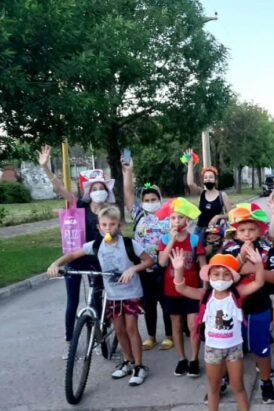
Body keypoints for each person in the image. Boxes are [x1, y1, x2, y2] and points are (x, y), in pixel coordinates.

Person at [47, 206, 154, 385]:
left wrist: (133, 269)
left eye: (112, 224)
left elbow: (148, 260)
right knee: (119, 330)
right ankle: (127, 361)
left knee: (131, 328)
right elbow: (73, 254)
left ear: (119, 225)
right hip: (112, 295)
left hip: (131, 293)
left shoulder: (128, 244)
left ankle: (139, 366)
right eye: (104, 225)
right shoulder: (96, 245)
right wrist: (56, 263)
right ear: (99, 227)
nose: (108, 228)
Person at [170, 249, 265, 411]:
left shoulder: (237, 293)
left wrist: (258, 265)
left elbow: (258, 283)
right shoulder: (205, 295)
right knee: (213, 387)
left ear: (233, 277)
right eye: (216, 274)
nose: (220, 278)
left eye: (226, 274)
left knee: (238, 386)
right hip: (213, 349)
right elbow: (181, 288)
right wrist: (178, 270)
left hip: (234, 348)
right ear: (209, 275)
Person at [37, 145, 117, 359]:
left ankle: (99, 336)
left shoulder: (110, 212)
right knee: (72, 301)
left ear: (106, 191)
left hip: (99, 260)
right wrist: (46, 168)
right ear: (89, 191)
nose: (98, 190)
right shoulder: (80, 205)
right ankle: (69, 342)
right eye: (94, 187)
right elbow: (61, 189)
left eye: (102, 187)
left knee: (97, 299)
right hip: (77, 257)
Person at [222, 203, 274, 403]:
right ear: (235, 232)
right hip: (230, 306)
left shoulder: (267, 248)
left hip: (259, 305)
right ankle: (223, 379)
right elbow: (220, 275)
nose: (247, 234)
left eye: (251, 229)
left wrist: (256, 269)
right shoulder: (228, 248)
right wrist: (240, 261)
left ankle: (266, 382)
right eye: (242, 230)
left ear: (260, 230)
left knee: (261, 347)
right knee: (226, 347)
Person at [122, 158, 173, 351]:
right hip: (144, 267)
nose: (150, 203)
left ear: (160, 199)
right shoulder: (138, 215)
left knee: (165, 302)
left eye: (154, 199)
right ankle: (151, 336)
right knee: (149, 303)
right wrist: (128, 172)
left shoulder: (168, 216)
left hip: (164, 266)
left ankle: (169, 335)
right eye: (147, 200)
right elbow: (128, 194)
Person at [157, 197, 207, 377]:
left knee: (193, 325)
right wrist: (171, 240)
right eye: (173, 218)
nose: (176, 221)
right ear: (168, 220)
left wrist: (205, 288)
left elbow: (203, 265)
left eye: (180, 218)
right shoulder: (164, 239)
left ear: (187, 220)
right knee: (176, 325)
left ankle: (194, 359)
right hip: (171, 290)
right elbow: (162, 262)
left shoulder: (194, 239)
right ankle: (181, 358)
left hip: (191, 289)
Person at [185, 149, 232, 236]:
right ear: (203, 180)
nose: (208, 179)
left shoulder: (222, 195)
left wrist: (218, 217)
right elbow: (190, 183)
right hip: (200, 230)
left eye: (211, 177)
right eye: (206, 177)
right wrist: (190, 164)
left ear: (215, 180)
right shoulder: (201, 193)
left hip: (215, 232)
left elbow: (231, 215)